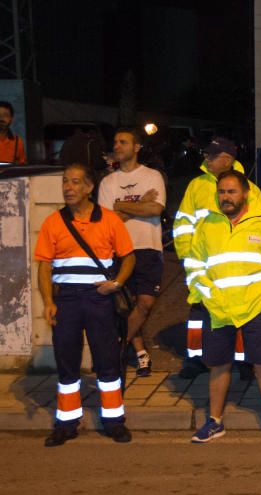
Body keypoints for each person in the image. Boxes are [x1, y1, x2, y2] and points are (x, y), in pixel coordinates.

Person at [184, 170, 261, 444]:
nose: (225, 197)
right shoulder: (207, 225)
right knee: (219, 365)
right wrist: (207, 294)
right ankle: (215, 422)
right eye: (221, 191)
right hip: (219, 307)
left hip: (256, 307)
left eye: (231, 191)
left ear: (245, 193)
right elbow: (194, 265)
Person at [35, 163, 134, 446]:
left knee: (107, 360)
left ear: (89, 188)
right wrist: (49, 302)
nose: (68, 187)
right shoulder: (54, 222)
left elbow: (129, 257)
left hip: (98, 298)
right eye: (65, 181)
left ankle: (114, 421)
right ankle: (66, 423)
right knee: (67, 362)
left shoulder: (109, 220)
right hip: (66, 300)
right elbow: (44, 266)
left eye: (75, 182)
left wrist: (116, 284)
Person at [173, 137, 261, 380]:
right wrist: (187, 258)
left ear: (226, 160)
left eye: (210, 156)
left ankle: (244, 361)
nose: (205, 159)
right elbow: (184, 223)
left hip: (236, 267)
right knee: (199, 314)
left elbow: (258, 228)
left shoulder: (250, 191)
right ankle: (195, 358)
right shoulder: (197, 186)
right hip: (203, 266)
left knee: (240, 314)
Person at [97, 127, 166, 376]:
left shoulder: (152, 176)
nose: (117, 146)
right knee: (125, 306)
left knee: (145, 303)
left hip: (148, 248)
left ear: (136, 147)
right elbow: (109, 221)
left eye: (123, 142)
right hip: (119, 250)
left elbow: (156, 210)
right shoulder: (108, 182)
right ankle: (139, 352)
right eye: (115, 142)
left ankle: (118, 347)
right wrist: (139, 203)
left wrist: (121, 205)